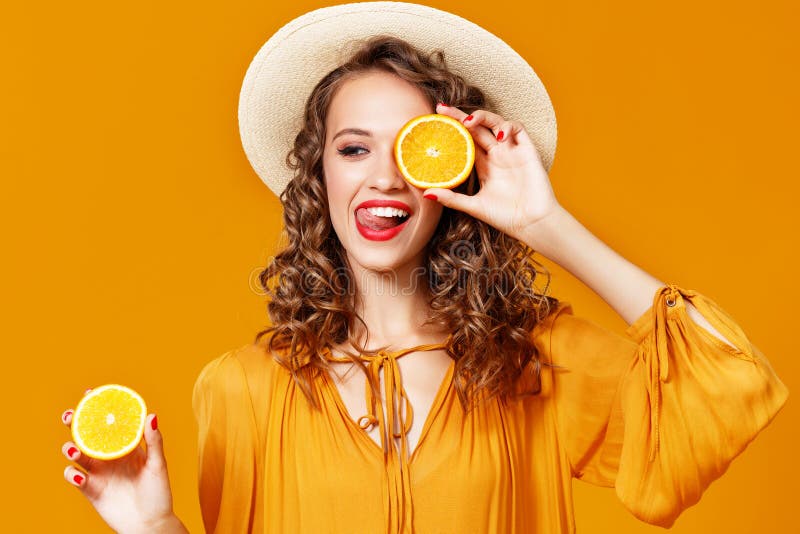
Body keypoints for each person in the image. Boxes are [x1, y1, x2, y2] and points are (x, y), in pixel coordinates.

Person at [59, 2, 789, 533]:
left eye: (414, 148)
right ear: (318, 175)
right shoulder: (243, 391)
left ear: (451, 174)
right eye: (353, 148)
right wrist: (151, 528)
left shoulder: (534, 365)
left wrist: (546, 225)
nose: (384, 178)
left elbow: (728, 385)